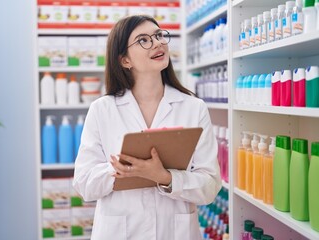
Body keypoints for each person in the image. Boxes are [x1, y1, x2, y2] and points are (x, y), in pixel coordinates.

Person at [72, 14, 221, 240]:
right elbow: (84, 185)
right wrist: (120, 170)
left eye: (159, 35)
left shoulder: (194, 107)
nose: (158, 43)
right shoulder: (102, 110)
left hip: (175, 231)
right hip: (120, 232)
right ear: (124, 60)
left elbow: (210, 187)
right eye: (143, 40)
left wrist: (165, 177)